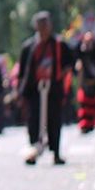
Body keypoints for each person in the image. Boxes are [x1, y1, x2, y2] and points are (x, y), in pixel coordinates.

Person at [17, 11, 73, 165]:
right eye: (40, 24)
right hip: (34, 90)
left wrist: (60, 76)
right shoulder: (29, 47)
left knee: (54, 120)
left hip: (53, 89)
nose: (43, 27)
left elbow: (70, 64)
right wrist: (20, 91)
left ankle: (56, 152)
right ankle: (34, 151)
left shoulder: (59, 44)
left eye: (45, 24)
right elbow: (22, 72)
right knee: (33, 120)